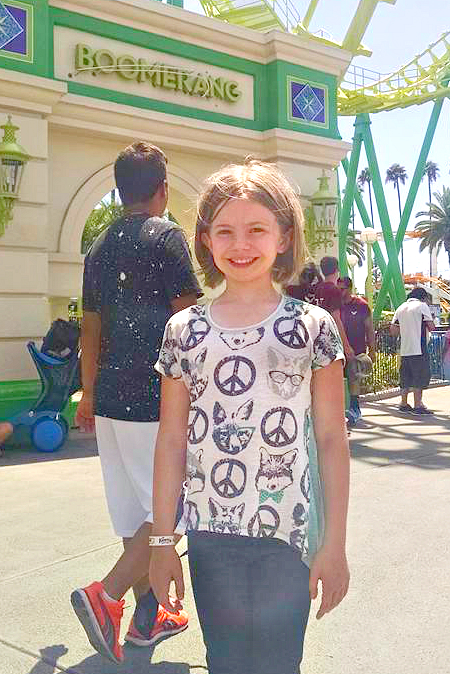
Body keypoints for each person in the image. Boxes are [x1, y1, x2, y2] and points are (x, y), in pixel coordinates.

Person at [149, 159, 350, 674]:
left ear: (284, 237)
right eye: (225, 231)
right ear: (206, 240)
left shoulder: (312, 327)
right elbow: (171, 440)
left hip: (289, 534)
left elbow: (331, 439)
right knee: (226, 661)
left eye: (257, 229)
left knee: (281, 663)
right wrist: (162, 542)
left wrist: (335, 544)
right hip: (210, 536)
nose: (240, 245)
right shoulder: (183, 331)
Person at [71, 142, 201, 664]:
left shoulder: (98, 247)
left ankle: (150, 618)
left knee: (134, 513)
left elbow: (90, 326)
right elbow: (188, 321)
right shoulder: (167, 237)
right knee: (170, 507)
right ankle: (106, 595)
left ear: (119, 189)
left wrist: (87, 393)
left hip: (109, 396)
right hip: (158, 397)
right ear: (163, 190)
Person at [390, 287, 435, 414]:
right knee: (419, 377)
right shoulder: (422, 306)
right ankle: (417, 405)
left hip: (405, 349)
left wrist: (406, 329)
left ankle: (403, 404)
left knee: (405, 377)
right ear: (423, 297)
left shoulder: (400, 308)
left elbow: (393, 330)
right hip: (419, 348)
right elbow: (431, 327)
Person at [337, 276, 375, 423]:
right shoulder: (335, 305)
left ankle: (354, 408)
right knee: (338, 380)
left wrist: (372, 350)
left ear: (349, 288)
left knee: (353, 378)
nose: (340, 292)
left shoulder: (361, 305)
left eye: (343, 289)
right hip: (338, 352)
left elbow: (369, 329)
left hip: (357, 351)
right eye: (338, 289)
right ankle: (340, 410)